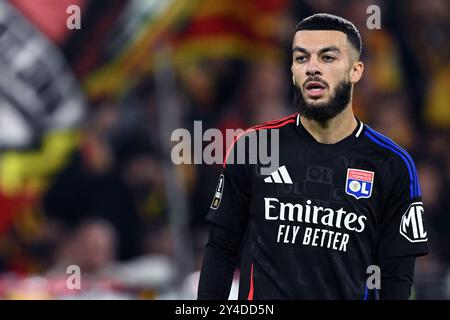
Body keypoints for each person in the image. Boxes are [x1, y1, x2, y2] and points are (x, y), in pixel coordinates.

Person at [197, 13, 428, 300]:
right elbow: (221, 249)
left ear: (355, 71)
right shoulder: (254, 146)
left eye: (327, 58)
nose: (312, 68)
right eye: (301, 58)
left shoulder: (392, 165)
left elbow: (396, 276)